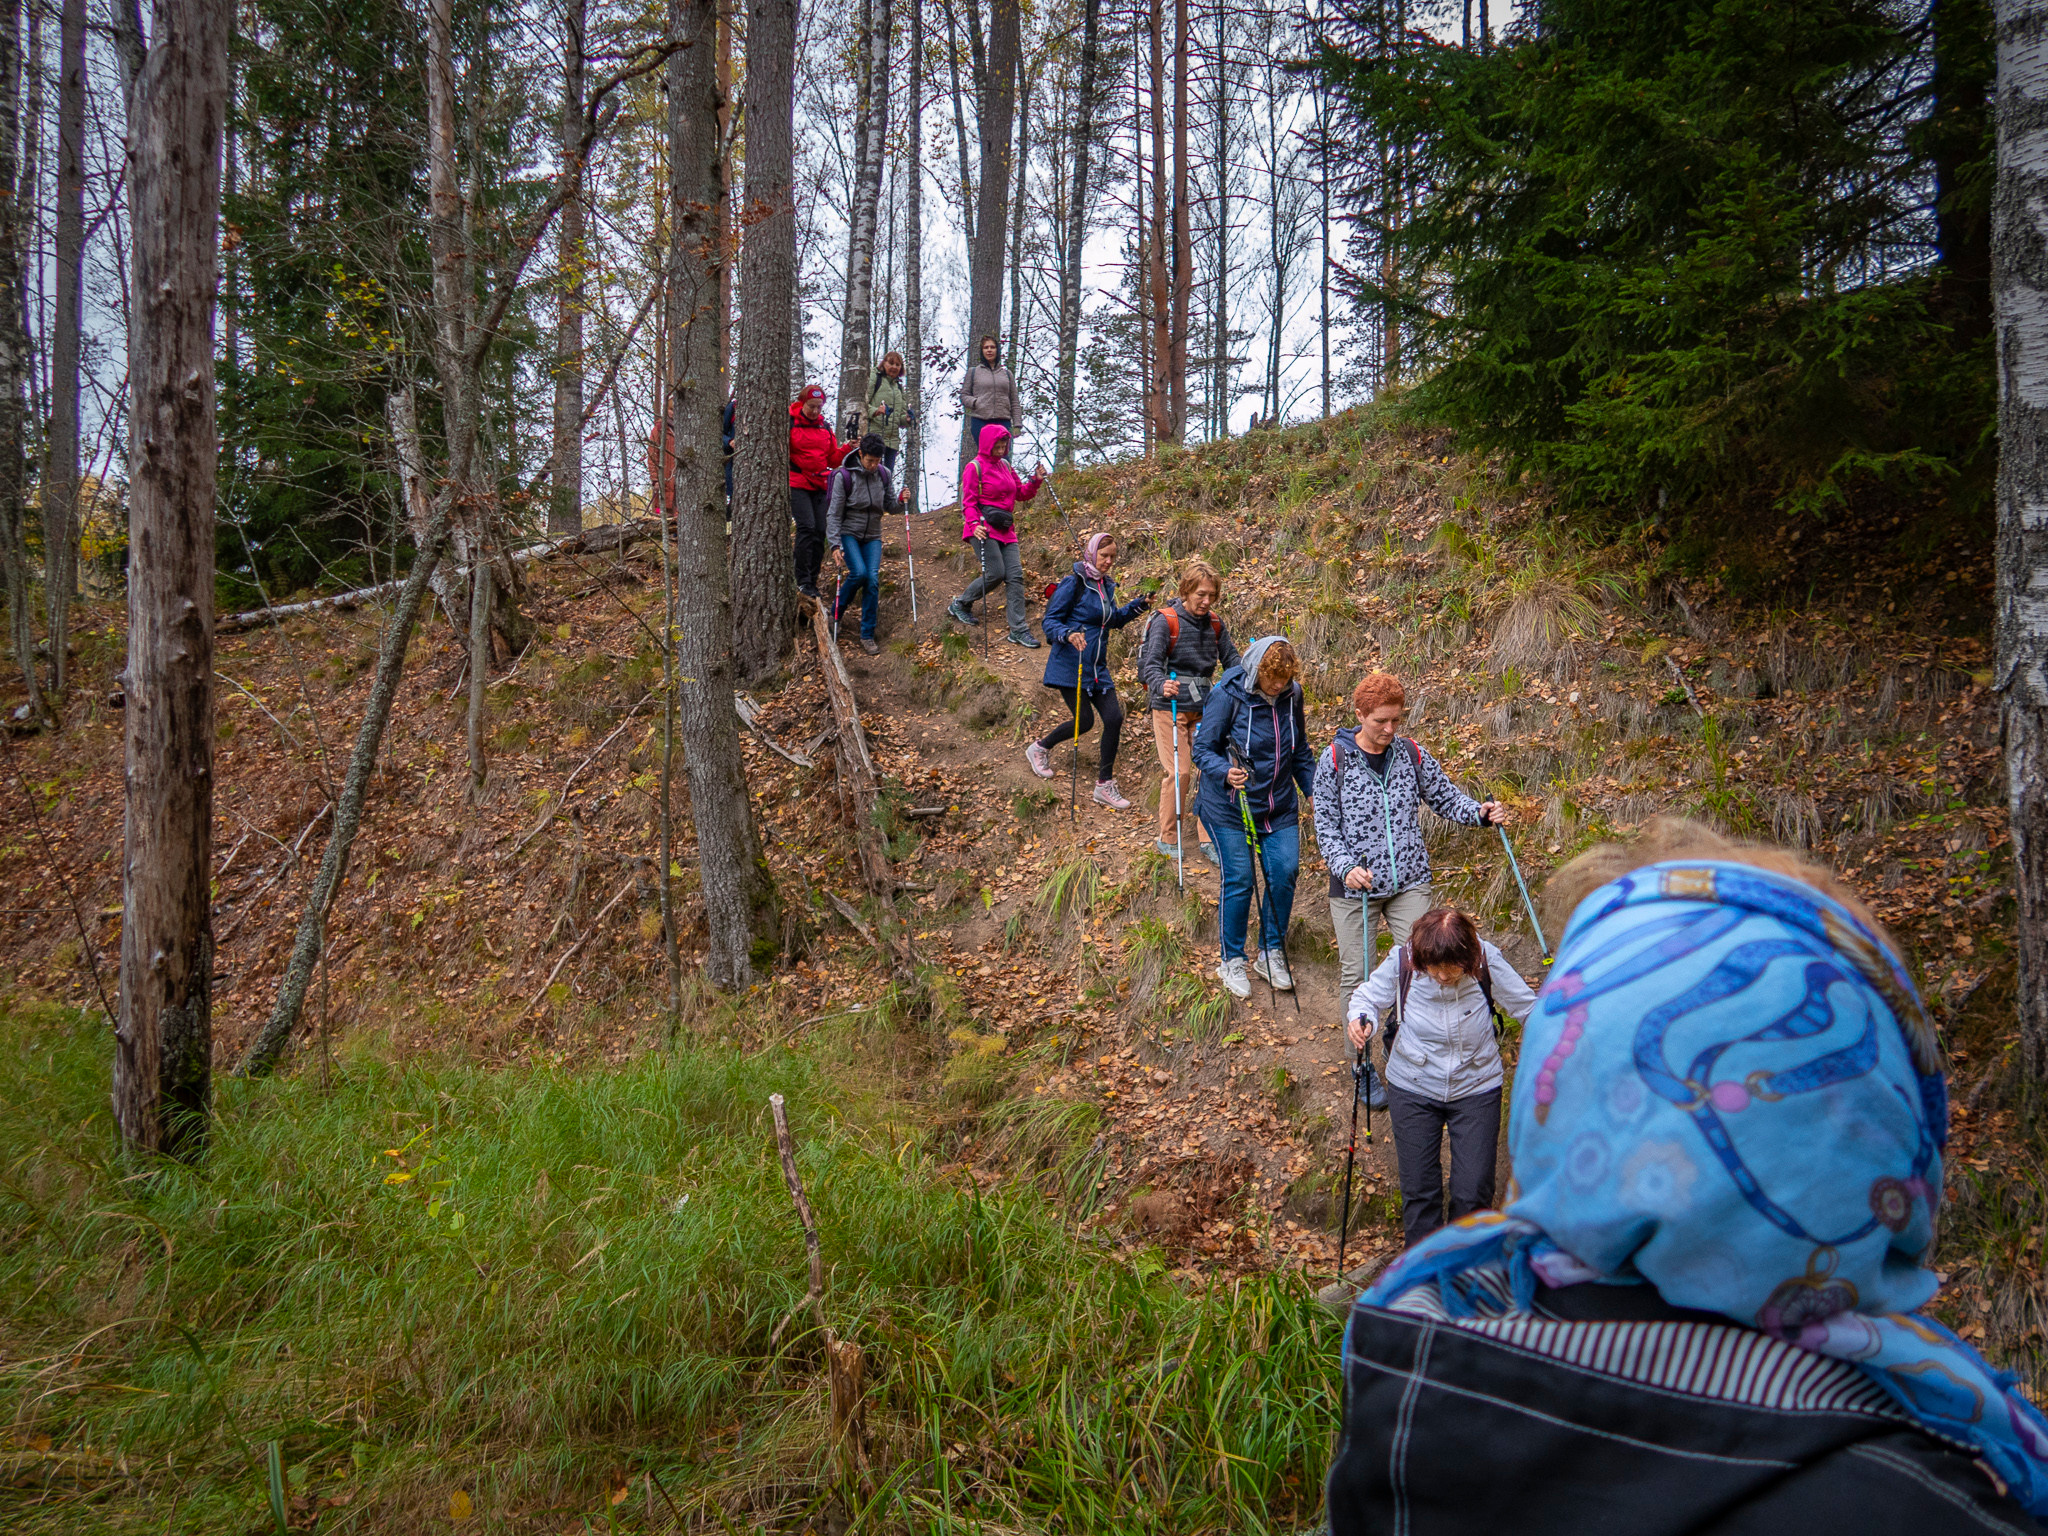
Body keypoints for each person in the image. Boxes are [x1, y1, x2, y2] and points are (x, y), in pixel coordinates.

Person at [1327, 817, 2048, 1536]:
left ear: (1563, 1098)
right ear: (1888, 1146)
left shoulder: (1410, 1385)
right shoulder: (1951, 1494)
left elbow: (1529, 1006)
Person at [1313, 671, 1505, 1108]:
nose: (1390, 729)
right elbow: (1325, 825)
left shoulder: (1411, 753)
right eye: (1381, 720)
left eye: (1396, 720)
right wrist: (1345, 868)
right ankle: (1360, 1063)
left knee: (1415, 965)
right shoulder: (1334, 760)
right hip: (1354, 888)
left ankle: (1400, 1039)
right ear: (1359, 715)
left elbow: (1444, 797)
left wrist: (1480, 813)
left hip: (1409, 881)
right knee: (1357, 975)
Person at [1345, 906, 1535, 1246]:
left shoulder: (1486, 960)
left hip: (1477, 1086)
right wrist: (1362, 1019)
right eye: (1434, 968)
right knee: (1420, 1192)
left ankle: (1465, 1273)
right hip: (1413, 1085)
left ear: (1468, 956)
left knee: (1473, 1191)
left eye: (1451, 968)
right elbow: (1367, 997)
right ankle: (1422, 1278)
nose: (1442, 976)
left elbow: (1529, 1009)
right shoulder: (1403, 961)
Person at [1193, 637, 1315, 1000]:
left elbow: (1301, 751)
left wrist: (1314, 791)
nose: (1278, 685)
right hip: (1229, 805)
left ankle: (1270, 952)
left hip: (1277, 805)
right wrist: (1224, 772)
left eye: (1284, 678)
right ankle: (1231, 959)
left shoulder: (1292, 696)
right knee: (1241, 878)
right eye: (1272, 678)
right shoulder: (1229, 694)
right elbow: (1202, 749)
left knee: (1285, 870)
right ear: (1256, 670)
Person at [1025, 533, 1149, 805]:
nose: (1108, 561)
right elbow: (1050, 621)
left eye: (1113, 557)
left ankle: (1104, 785)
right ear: (1092, 554)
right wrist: (1068, 634)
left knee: (1114, 718)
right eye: (1104, 556)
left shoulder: (1106, 586)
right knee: (1085, 721)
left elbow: (1113, 620)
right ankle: (1040, 747)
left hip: (1097, 667)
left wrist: (1138, 606)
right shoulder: (1074, 583)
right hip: (1071, 665)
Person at [1137, 559, 1239, 865]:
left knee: (1212, 769)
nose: (1206, 601)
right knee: (1179, 772)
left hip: (1205, 707)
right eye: (1201, 595)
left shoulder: (1216, 623)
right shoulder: (1165, 621)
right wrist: (1159, 684)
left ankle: (1209, 837)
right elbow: (1149, 665)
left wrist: (1247, 681)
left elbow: (1231, 659)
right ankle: (1168, 838)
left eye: (1211, 596)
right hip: (1170, 708)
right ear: (1186, 591)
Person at [946, 423, 1045, 645]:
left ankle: (1018, 630)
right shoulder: (974, 467)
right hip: (982, 527)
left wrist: (1035, 481)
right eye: (997, 447)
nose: (1001, 451)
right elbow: (968, 502)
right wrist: (973, 524)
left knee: (1015, 576)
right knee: (996, 573)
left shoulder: (1006, 465)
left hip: (1006, 529)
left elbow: (1020, 493)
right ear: (987, 445)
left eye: (1004, 446)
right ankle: (961, 603)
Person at [826, 434, 904, 656]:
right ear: (860, 454)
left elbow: (890, 506)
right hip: (849, 533)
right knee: (858, 573)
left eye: (878, 460)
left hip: (873, 535)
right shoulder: (844, 476)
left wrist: (900, 501)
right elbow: (834, 513)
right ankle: (835, 615)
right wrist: (834, 545)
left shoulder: (884, 474)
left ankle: (867, 634)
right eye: (870, 460)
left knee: (872, 580)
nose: (874, 465)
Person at [788, 384, 856, 599]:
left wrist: (847, 449)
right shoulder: (790, 423)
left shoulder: (824, 427)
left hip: (820, 484)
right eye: (811, 406)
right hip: (797, 481)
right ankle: (801, 580)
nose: (815, 411)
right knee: (806, 527)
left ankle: (812, 580)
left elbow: (832, 459)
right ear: (802, 403)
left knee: (820, 532)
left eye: (819, 407)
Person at [959, 334, 1017, 463]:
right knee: (987, 458)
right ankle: (984, 483)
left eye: (992, 347)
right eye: (986, 348)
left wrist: (1017, 425)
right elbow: (963, 396)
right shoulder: (973, 372)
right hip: (981, 421)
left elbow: (1014, 400)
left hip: (1003, 422)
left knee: (1004, 459)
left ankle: (1006, 483)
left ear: (997, 350)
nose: (989, 350)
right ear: (982, 351)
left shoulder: (1007, 374)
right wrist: (976, 402)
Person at [862, 351, 911, 474]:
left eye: (898, 364)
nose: (894, 367)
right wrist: (875, 411)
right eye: (891, 363)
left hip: (892, 442)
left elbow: (900, 417)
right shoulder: (875, 378)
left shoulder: (899, 387)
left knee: (886, 478)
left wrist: (907, 419)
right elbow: (862, 404)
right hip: (874, 438)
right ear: (883, 364)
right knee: (871, 474)